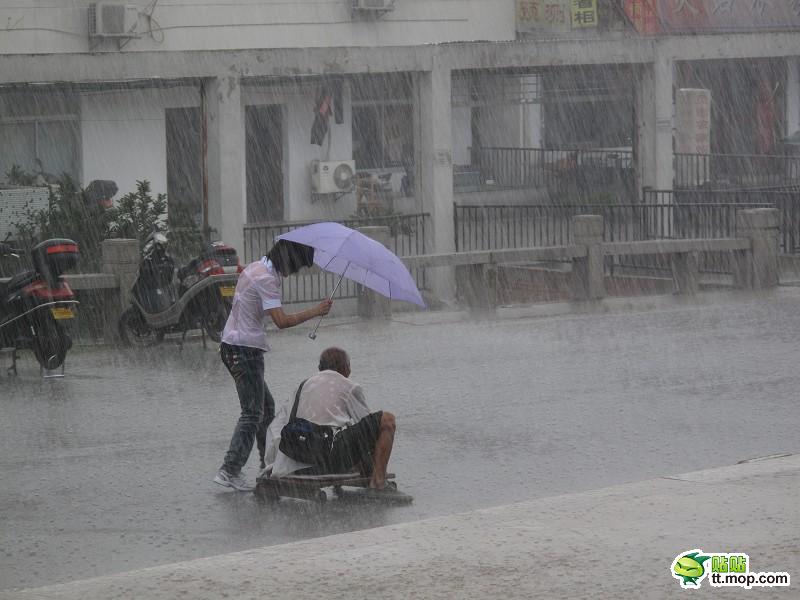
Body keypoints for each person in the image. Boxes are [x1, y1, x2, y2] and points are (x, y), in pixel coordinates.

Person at [214, 239, 332, 491]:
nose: (294, 272)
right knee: (253, 413)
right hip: (244, 349)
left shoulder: (258, 267)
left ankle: (265, 466)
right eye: (297, 266)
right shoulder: (266, 278)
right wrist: (316, 310)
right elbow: (281, 321)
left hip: (237, 346)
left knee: (265, 409)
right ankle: (230, 469)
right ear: (288, 259)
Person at [264, 347, 398, 492]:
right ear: (345, 368)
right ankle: (378, 482)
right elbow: (369, 430)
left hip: (295, 457)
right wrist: (371, 464)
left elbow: (276, 427)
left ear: (319, 368)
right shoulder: (349, 386)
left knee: (338, 431)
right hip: (325, 459)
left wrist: (273, 464)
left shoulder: (302, 386)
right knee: (386, 420)